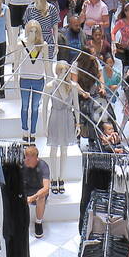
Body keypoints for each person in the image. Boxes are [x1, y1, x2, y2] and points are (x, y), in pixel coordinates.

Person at [46, 61, 80, 194]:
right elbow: (44, 106)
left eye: (65, 71)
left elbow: (76, 106)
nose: (64, 73)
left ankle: (62, 178)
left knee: (64, 150)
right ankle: (53, 178)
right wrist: (44, 125)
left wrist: (78, 123)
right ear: (57, 71)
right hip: (55, 117)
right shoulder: (50, 86)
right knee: (54, 149)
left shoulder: (73, 86)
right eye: (61, 71)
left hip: (67, 118)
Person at [16, 19, 52, 140]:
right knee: (25, 105)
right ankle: (24, 130)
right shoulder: (21, 43)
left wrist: (49, 80)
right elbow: (16, 65)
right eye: (30, 30)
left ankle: (33, 131)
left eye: (35, 31)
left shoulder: (43, 45)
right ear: (26, 30)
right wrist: (16, 81)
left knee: (35, 107)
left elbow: (47, 64)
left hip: (38, 80)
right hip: (25, 78)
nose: (33, 33)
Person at [21, 143, 51, 238]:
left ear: (35, 158)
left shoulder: (43, 166)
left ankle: (38, 223)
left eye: (28, 158)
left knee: (41, 197)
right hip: (26, 189)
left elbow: (46, 188)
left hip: (38, 190)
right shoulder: (21, 165)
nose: (26, 160)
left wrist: (32, 198)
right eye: (26, 157)